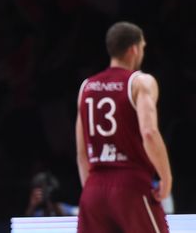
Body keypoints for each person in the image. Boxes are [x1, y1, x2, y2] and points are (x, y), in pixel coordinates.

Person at [75, 21, 172, 233]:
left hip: (94, 187)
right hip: (130, 183)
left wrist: (93, 190)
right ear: (134, 49)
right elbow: (149, 132)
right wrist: (166, 177)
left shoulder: (86, 87)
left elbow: (82, 153)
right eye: (143, 48)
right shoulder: (140, 82)